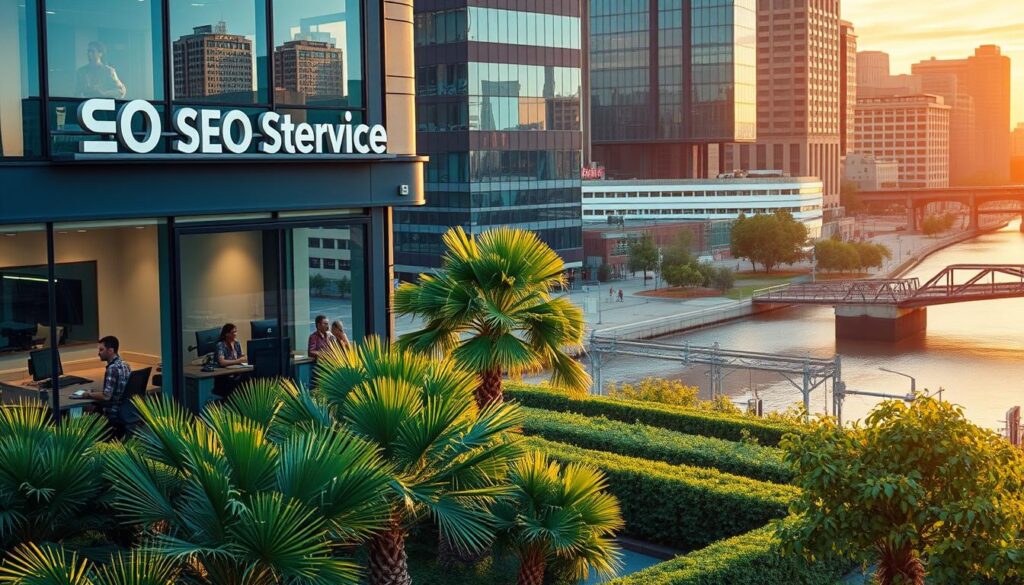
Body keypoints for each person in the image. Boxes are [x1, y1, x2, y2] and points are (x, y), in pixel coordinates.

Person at [85, 336, 132, 430]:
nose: (99, 353)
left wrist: (88, 394)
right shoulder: (125, 365)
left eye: (101, 350)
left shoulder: (112, 368)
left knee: (86, 407)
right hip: (126, 408)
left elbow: (106, 396)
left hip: (113, 410)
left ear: (110, 350)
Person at [213, 323, 246, 397]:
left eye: (236, 331)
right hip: (223, 377)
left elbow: (241, 356)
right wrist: (238, 361)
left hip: (235, 372)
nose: (235, 334)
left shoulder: (237, 343)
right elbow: (222, 362)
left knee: (247, 377)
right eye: (233, 332)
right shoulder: (220, 345)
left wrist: (244, 357)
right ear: (227, 334)